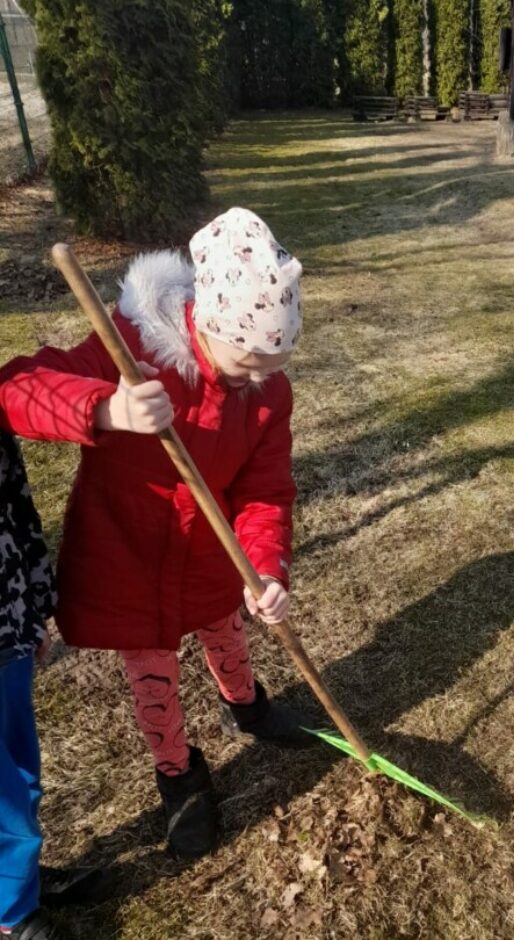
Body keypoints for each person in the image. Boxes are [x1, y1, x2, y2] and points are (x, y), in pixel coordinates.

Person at [0, 207, 316, 861]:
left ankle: (246, 705)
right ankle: (177, 773)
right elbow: (16, 389)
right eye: (246, 361)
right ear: (206, 319)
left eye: (271, 365)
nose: (256, 378)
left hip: (209, 556)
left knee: (226, 629)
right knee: (153, 674)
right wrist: (106, 408)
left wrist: (267, 569)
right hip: (129, 559)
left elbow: (263, 491)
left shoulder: (266, 391)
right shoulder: (130, 346)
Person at [0, 431, 114, 939]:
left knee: (21, 766)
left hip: (7, 621)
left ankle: (14, 881)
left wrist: (38, 602)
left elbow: (17, 506)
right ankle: (11, 915)